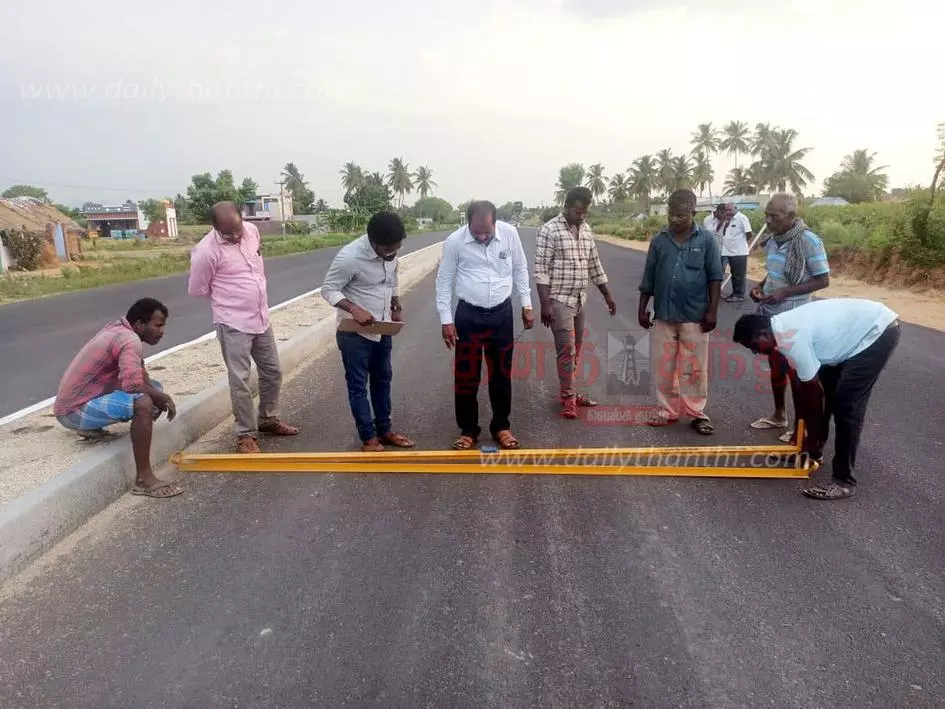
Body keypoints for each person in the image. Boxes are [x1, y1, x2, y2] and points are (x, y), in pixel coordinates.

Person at [732, 298, 900, 500]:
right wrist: (804, 439)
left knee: (846, 404)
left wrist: (810, 437)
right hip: (845, 338)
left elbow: (812, 393)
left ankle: (843, 480)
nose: (756, 352)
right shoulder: (780, 331)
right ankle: (813, 453)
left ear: (763, 334)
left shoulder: (791, 339)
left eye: (753, 346)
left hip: (876, 331)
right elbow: (804, 388)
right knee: (826, 390)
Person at [188, 201, 298, 454]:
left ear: (242, 218)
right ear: (215, 228)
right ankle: (245, 435)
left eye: (237, 229)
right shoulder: (206, 251)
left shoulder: (251, 231)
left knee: (273, 371)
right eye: (228, 233)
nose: (235, 236)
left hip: (261, 317)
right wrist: (230, 299)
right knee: (241, 380)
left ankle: (268, 419)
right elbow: (197, 289)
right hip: (233, 323)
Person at [53, 298, 183, 499]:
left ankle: (91, 428)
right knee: (144, 402)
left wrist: (157, 394)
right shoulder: (128, 340)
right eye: (157, 325)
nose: (162, 331)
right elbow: (132, 385)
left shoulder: (119, 330)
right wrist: (161, 397)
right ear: (140, 324)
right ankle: (144, 480)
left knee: (153, 389)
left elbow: (139, 374)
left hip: (80, 402)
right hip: (73, 412)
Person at [435, 200, 534, 450]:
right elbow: (444, 279)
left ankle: (501, 426)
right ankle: (468, 430)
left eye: (486, 231)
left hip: (501, 315)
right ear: (468, 223)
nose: (481, 235)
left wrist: (527, 304)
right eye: (476, 230)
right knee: (467, 374)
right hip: (468, 316)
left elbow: (520, 269)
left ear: (495, 222)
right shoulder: (455, 241)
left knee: (501, 373)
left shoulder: (510, 234)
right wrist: (446, 319)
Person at [321, 211, 415, 452]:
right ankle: (368, 439)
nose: (393, 253)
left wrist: (395, 304)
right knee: (358, 385)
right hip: (354, 333)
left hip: (382, 327)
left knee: (383, 379)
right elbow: (328, 289)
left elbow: (392, 277)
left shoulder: (391, 250)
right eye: (387, 250)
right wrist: (353, 308)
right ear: (373, 242)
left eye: (397, 248)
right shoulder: (349, 257)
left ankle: (385, 430)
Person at [638, 188, 723, 435]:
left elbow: (715, 278)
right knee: (665, 366)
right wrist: (642, 309)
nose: (675, 219)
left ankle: (697, 412)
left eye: (681, 215)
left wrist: (712, 311)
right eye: (672, 214)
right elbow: (649, 278)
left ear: (693, 212)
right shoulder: (659, 241)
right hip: (664, 315)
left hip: (695, 315)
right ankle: (667, 411)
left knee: (695, 367)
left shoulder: (707, 240)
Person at [749, 193, 830, 439]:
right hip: (773, 314)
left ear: (791, 216)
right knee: (776, 367)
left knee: (798, 374)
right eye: (767, 215)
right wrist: (761, 287)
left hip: (796, 316)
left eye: (774, 216)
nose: (769, 220)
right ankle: (779, 415)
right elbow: (774, 274)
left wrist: (785, 292)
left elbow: (823, 280)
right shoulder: (774, 240)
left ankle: (801, 427)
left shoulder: (808, 241)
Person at [535, 186, 616, 419]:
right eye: (577, 212)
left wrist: (607, 295)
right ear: (566, 207)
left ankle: (569, 391)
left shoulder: (587, 230)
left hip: (581, 299)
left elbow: (594, 264)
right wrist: (545, 304)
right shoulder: (549, 230)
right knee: (567, 350)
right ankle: (569, 398)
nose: (581, 217)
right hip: (560, 300)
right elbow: (540, 270)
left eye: (585, 213)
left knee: (576, 349)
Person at [718, 202, 753, 302]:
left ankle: (739, 295)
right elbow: (721, 231)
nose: (727, 212)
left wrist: (741, 244)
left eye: (730, 210)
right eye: (726, 210)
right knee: (734, 274)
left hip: (739, 252)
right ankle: (735, 293)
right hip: (729, 252)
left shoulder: (741, 218)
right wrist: (725, 219)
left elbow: (749, 233)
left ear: (735, 208)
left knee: (739, 275)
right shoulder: (728, 220)